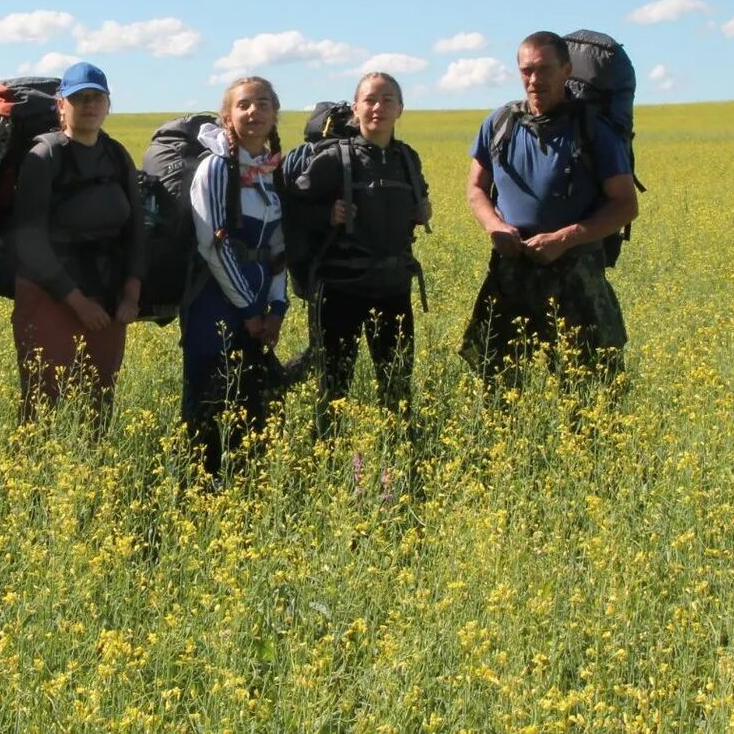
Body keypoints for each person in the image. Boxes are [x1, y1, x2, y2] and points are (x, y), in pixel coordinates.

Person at [461, 32, 638, 382]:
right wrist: (494, 227)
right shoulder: (499, 124)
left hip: (575, 274)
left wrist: (564, 239)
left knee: (588, 388)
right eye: (527, 70)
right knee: (498, 385)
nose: (534, 79)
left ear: (567, 70)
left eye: (544, 69)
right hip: (511, 271)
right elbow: (476, 189)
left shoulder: (593, 132)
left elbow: (625, 205)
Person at [282, 72, 429, 438]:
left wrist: (423, 210)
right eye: (370, 99)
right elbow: (291, 211)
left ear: (400, 109)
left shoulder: (407, 158)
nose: (378, 107)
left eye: (388, 100)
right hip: (340, 291)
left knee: (397, 387)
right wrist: (325, 215)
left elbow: (416, 204)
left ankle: (399, 460)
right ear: (356, 108)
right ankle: (325, 462)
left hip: (394, 290)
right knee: (333, 389)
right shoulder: (334, 158)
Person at [11, 61, 146, 430]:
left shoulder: (117, 156)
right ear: (61, 105)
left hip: (106, 295)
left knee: (99, 402)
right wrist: (76, 302)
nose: (89, 105)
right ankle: (30, 482)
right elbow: (30, 241)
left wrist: (131, 293)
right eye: (79, 98)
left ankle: (92, 475)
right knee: (42, 404)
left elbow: (136, 229)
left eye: (96, 98)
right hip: (49, 296)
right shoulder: (45, 157)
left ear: (107, 104)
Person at [180, 76, 289, 478]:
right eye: (243, 105)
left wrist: (277, 307)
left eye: (262, 103)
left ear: (275, 113)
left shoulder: (270, 172)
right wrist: (249, 310)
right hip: (214, 306)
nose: (253, 112)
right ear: (227, 116)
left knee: (253, 404)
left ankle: (247, 487)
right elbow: (214, 246)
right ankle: (199, 495)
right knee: (210, 404)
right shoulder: (215, 169)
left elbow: (279, 247)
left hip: (258, 308)